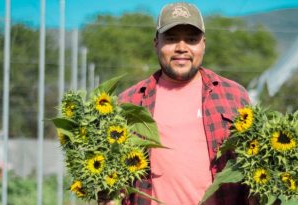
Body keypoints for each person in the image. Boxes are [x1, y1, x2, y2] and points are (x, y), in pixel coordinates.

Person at [101, 2, 258, 205]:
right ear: (156, 42)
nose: (181, 48)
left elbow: (254, 165)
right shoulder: (129, 102)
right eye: (172, 39)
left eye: (191, 39)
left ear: (203, 44)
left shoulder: (234, 96)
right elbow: (111, 171)